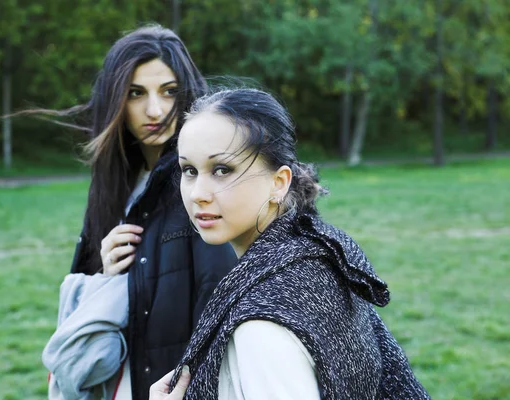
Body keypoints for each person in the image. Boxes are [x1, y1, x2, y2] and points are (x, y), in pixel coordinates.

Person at [150, 88, 431, 399]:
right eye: (190, 170)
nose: (197, 193)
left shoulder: (261, 329)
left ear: (278, 182)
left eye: (222, 170)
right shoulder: (318, 251)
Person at [39, 26, 237, 400]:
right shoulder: (112, 185)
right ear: (116, 100)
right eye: (135, 93)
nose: (154, 110)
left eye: (169, 91)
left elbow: (221, 302)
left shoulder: (200, 186)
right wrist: (106, 271)